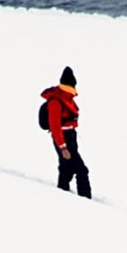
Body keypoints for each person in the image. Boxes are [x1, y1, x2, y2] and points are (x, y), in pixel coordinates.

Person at [40, 66, 92, 199]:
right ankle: (86, 200)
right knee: (81, 170)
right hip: (63, 139)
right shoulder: (56, 101)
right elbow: (55, 126)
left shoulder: (67, 98)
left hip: (70, 136)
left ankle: (62, 195)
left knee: (66, 169)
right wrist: (63, 147)